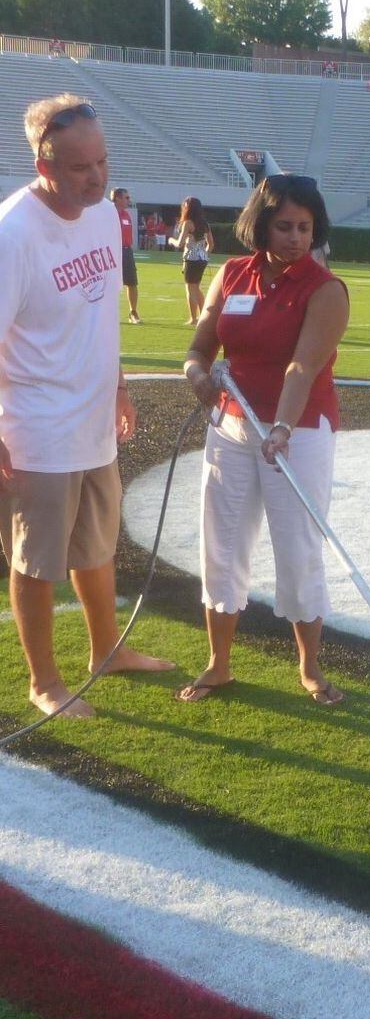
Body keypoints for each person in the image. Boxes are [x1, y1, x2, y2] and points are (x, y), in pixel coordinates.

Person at [0, 93, 174, 718]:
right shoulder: (13, 233)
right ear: (44, 164)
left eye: (101, 160)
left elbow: (100, 315)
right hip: (37, 430)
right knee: (38, 559)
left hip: (94, 418)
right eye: (79, 167)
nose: (97, 176)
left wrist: (120, 384)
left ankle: (108, 650)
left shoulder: (104, 215)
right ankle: (44, 680)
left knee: (97, 545)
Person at [177, 174, 349, 705]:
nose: (296, 237)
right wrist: (197, 376)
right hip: (230, 428)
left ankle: (310, 667)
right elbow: (200, 348)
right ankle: (218, 664)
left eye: (305, 227)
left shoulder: (326, 289)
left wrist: (281, 427)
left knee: (298, 549)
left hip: (298, 433)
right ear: (261, 225)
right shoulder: (230, 274)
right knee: (222, 544)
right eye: (284, 226)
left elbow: (301, 367)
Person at [169, 196, 215, 325]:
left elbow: (180, 243)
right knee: (196, 288)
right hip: (202, 258)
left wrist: (171, 240)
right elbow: (211, 243)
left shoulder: (188, 223)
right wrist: (204, 254)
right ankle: (204, 316)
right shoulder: (205, 224)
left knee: (190, 289)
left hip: (190, 258)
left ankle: (193, 318)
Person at [111, 186, 141, 323]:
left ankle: (133, 312)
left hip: (126, 251)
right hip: (111, 251)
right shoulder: (108, 213)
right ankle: (108, 314)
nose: (129, 200)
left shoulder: (126, 214)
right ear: (117, 198)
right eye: (126, 197)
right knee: (109, 284)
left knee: (132, 282)